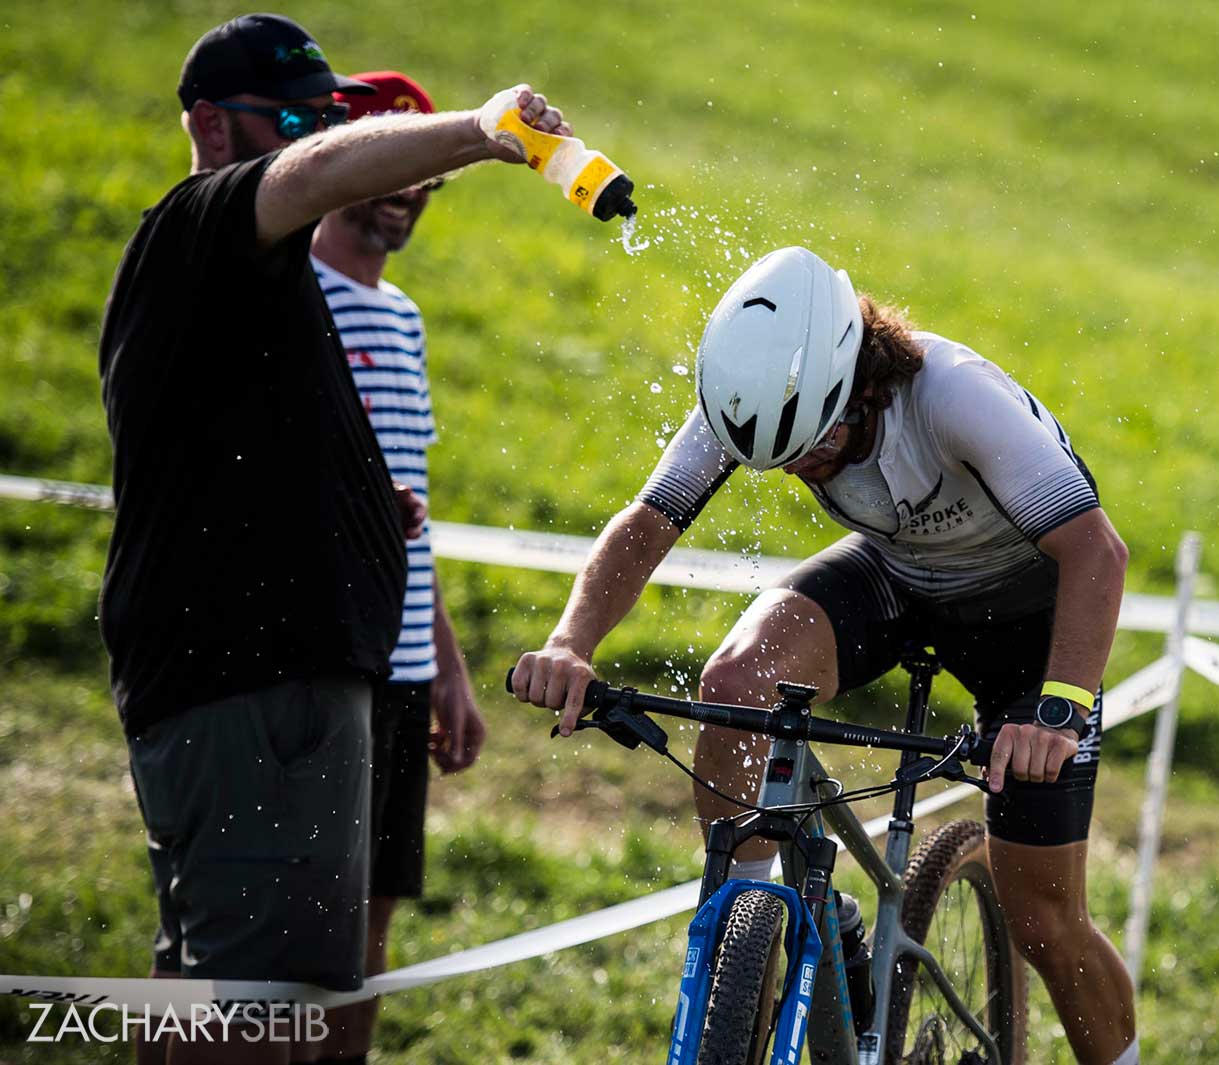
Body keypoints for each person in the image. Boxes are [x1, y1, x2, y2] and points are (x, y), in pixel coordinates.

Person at [510, 246, 1140, 1065]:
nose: (805, 466)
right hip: (897, 574)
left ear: (858, 377)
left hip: (1028, 621)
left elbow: (1097, 550)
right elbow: (650, 520)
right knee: (737, 684)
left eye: (818, 445)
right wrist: (571, 641)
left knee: (1045, 922)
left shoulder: (955, 395)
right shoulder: (752, 396)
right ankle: (751, 929)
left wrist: (1057, 709)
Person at [99, 12, 571, 1064]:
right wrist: (484, 128)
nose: (319, 138)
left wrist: (365, 512)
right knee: (258, 1016)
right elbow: (309, 178)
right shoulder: (201, 224)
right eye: (299, 121)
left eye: (328, 118)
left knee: (234, 990)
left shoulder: (263, 288)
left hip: (287, 682)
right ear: (213, 128)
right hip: (249, 681)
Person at [307, 71, 487, 1064]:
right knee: (295, 929)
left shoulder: (405, 318)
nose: (407, 188)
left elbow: (407, 517)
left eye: (422, 171)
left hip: (401, 664)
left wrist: (446, 670)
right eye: (389, 163)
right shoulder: (291, 293)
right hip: (318, 660)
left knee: (368, 934)